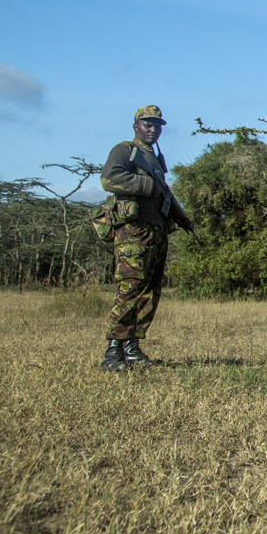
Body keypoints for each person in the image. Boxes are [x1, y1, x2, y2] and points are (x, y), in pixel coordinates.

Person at [98, 105, 193, 371]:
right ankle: (112, 352)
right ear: (136, 126)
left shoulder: (154, 157)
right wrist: (147, 186)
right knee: (131, 287)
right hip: (133, 231)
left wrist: (181, 219)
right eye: (147, 124)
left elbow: (165, 194)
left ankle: (132, 347)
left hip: (156, 230)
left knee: (150, 290)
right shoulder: (125, 149)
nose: (153, 129)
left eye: (158, 125)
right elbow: (109, 177)